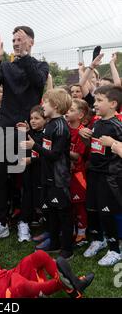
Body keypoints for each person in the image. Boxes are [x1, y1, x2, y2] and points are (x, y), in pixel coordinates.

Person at [0, 26, 49, 242]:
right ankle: (0, 222)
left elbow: (38, 82)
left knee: (27, 179)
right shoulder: (7, 67)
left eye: (20, 39)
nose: (16, 42)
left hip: (29, 130)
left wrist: (25, 57)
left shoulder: (40, 65)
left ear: (31, 42)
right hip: (6, 128)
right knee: (0, 176)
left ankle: (24, 223)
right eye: (14, 40)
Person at [21, 88, 73, 260]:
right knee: (51, 211)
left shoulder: (60, 127)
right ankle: (55, 243)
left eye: (46, 102)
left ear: (55, 106)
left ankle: (67, 249)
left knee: (63, 213)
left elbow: (55, 155)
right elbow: (47, 151)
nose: (42, 105)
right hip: (48, 176)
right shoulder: (50, 123)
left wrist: (33, 146)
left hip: (59, 178)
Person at [80, 85, 122, 266]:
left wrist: (112, 142)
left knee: (107, 212)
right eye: (95, 100)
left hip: (109, 177)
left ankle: (115, 250)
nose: (94, 104)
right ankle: (98, 239)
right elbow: (95, 149)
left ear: (113, 104)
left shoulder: (117, 126)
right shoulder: (96, 123)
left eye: (99, 100)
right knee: (92, 208)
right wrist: (85, 138)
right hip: (94, 174)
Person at [17, 105, 47, 243]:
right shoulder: (30, 134)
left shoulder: (47, 134)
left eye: (37, 118)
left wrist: (32, 160)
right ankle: (23, 225)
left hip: (42, 174)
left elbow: (49, 155)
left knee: (42, 200)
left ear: (45, 119)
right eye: (31, 118)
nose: (33, 121)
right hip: (29, 173)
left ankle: (48, 227)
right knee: (27, 197)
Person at [65, 99, 89, 247]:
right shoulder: (63, 128)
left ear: (80, 115)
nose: (67, 111)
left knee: (79, 204)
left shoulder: (82, 131)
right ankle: (72, 230)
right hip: (64, 173)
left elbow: (77, 156)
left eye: (71, 109)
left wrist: (61, 150)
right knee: (69, 205)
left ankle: (82, 233)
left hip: (78, 174)